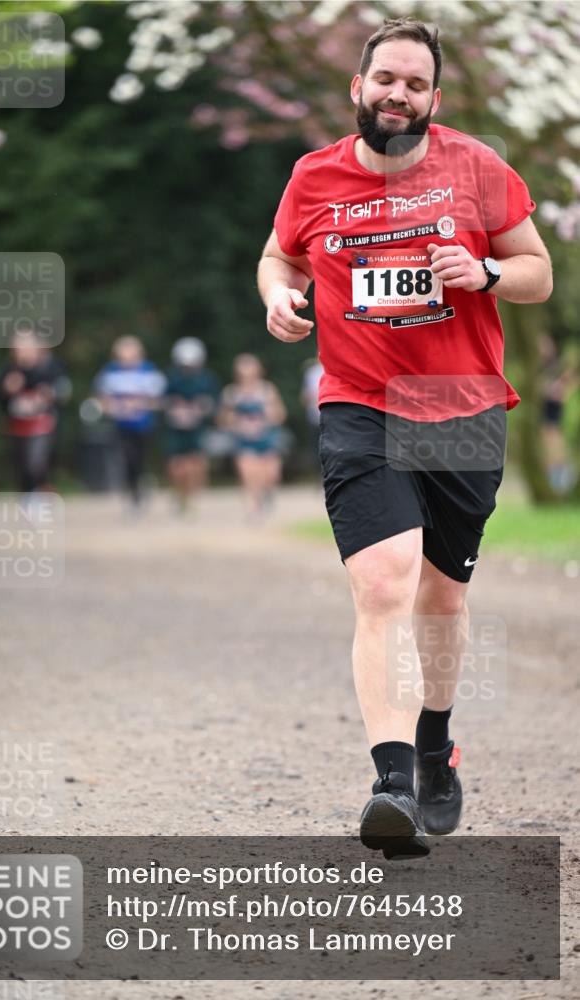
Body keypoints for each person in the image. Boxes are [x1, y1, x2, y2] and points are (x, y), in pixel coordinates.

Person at [257, 17, 552, 858]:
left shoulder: (478, 169)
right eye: (385, 78)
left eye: (415, 84)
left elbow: (537, 273)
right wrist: (276, 297)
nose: (398, 94)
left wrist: (486, 272)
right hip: (361, 404)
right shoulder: (312, 176)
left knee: (441, 598)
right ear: (358, 87)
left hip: (461, 404)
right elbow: (277, 257)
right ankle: (390, 787)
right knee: (383, 587)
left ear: (433, 98)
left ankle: (433, 744)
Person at [0, 329, 71, 495]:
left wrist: (49, 393)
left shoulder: (50, 367)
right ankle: (29, 496)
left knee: (37, 462)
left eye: (26, 347)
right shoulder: (9, 370)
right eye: (18, 348)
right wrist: (7, 389)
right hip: (17, 426)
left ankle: (40, 489)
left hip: (43, 425)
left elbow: (64, 390)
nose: (23, 351)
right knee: (20, 464)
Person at [94, 336, 165, 506]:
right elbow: (102, 401)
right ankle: (134, 493)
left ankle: (141, 484)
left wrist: (139, 405)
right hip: (120, 425)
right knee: (126, 459)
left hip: (143, 425)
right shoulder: (110, 372)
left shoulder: (149, 371)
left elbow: (158, 401)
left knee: (139, 459)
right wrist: (114, 407)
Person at [219, 353, 287, 518]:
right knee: (249, 473)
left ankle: (266, 494)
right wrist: (233, 419)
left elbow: (281, 415)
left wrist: (270, 413)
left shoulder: (267, 390)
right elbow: (222, 420)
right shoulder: (231, 393)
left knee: (271, 475)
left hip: (267, 438)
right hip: (244, 441)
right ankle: (253, 507)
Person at [164, 337, 219, 513]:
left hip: (197, 427)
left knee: (197, 463)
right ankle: (179, 495)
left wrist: (199, 408)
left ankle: (194, 495)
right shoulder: (171, 377)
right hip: (176, 428)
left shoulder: (207, 378)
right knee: (176, 465)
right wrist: (176, 408)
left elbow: (213, 403)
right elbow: (162, 401)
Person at [538, 333, 577, 493]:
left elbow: (571, 380)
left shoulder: (556, 364)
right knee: (548, 441)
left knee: (555, 441)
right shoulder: (542, 365)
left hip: (554, 408)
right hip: (546, 407)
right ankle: (554, 476)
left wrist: (563, 392)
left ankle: (562, 476)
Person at [300, 355, 324, 473]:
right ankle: (319, 474)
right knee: (316, 448)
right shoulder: (312, 372)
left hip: (328, 413)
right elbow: (305, 395)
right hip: (315, 416)